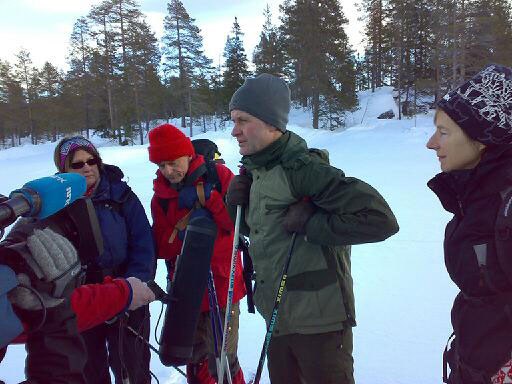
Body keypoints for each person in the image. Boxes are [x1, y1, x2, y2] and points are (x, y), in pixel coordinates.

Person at [226, 73, 399, 384]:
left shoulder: (305, 170)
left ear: (271, 124)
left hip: (319, 322)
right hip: (278, 318)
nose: (234, 130)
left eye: (243, 120)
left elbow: (380, 220)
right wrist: (237, 206)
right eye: (233, 120)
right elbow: (263, 234)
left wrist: (312, 224)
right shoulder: (257, 171)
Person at [426, 64, 512, 384]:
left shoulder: (506, 207)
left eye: (444, 132)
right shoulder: (475, 199)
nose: (432, 143)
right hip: (471, 365)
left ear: (484, 139)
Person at [148, 123, 246, 384]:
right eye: (161, 165)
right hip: (187, 287)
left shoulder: (220, 176)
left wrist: (209, 198)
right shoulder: (162, 196)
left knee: (223, 358)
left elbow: (236, 226)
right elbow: (162, 246)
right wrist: (186, 235)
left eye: (172, 162)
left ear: (187, 153)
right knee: (192, 356)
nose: (168, 171)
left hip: (224, 282)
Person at [54, 136, 155, 384]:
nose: (87, 167)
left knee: (132, 366)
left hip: (128, 291)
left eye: (92, 161)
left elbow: (144, 246)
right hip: (83, 299)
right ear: (64, 170)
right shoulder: (55, 205)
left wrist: (131, 288)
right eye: (77, 164)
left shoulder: (122, 197)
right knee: (89, 370)